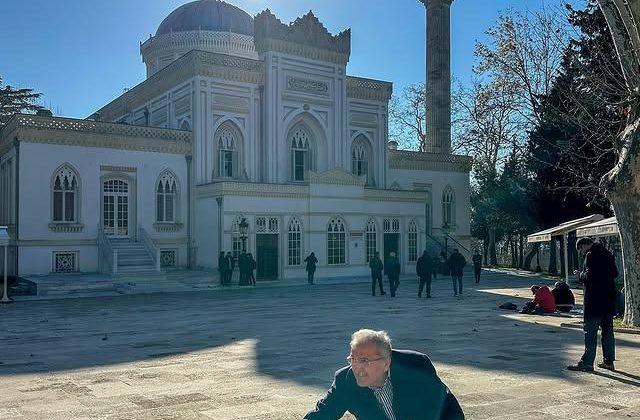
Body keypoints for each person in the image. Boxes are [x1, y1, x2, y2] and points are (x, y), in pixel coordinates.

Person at [304, 329, 464, 420]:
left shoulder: (415, 365)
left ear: (386, 363)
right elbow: (322, 415)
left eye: (365, 360)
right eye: (353, 359)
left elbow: (450, 409)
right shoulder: (345, 380)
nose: (357, 368)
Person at [568, 237, 618, 372]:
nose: (581, 252)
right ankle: (609, 361)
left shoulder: (591, 255)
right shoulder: (607, 253)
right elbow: (615, 273)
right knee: (608, 333)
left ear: (584, 245)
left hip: (594, 301)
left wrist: (580, 275)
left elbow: (590, 276)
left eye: (581, 249)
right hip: (608, 301)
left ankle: (587, 362)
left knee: (590, 332)